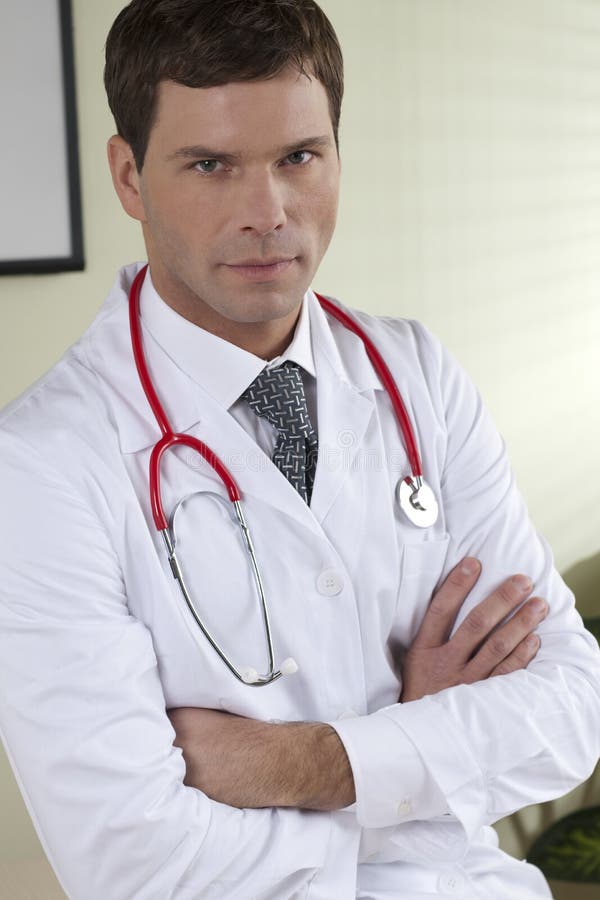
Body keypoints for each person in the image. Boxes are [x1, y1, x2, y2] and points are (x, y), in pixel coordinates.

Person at [0, 1, 598, 898]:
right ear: (129, 177)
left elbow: (570, 714)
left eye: (298, 157)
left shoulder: (417, 375)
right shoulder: (43, 463)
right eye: (210, 165)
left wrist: (296, 765)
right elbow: (131, 860)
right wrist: (419, 760)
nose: (268, 212)